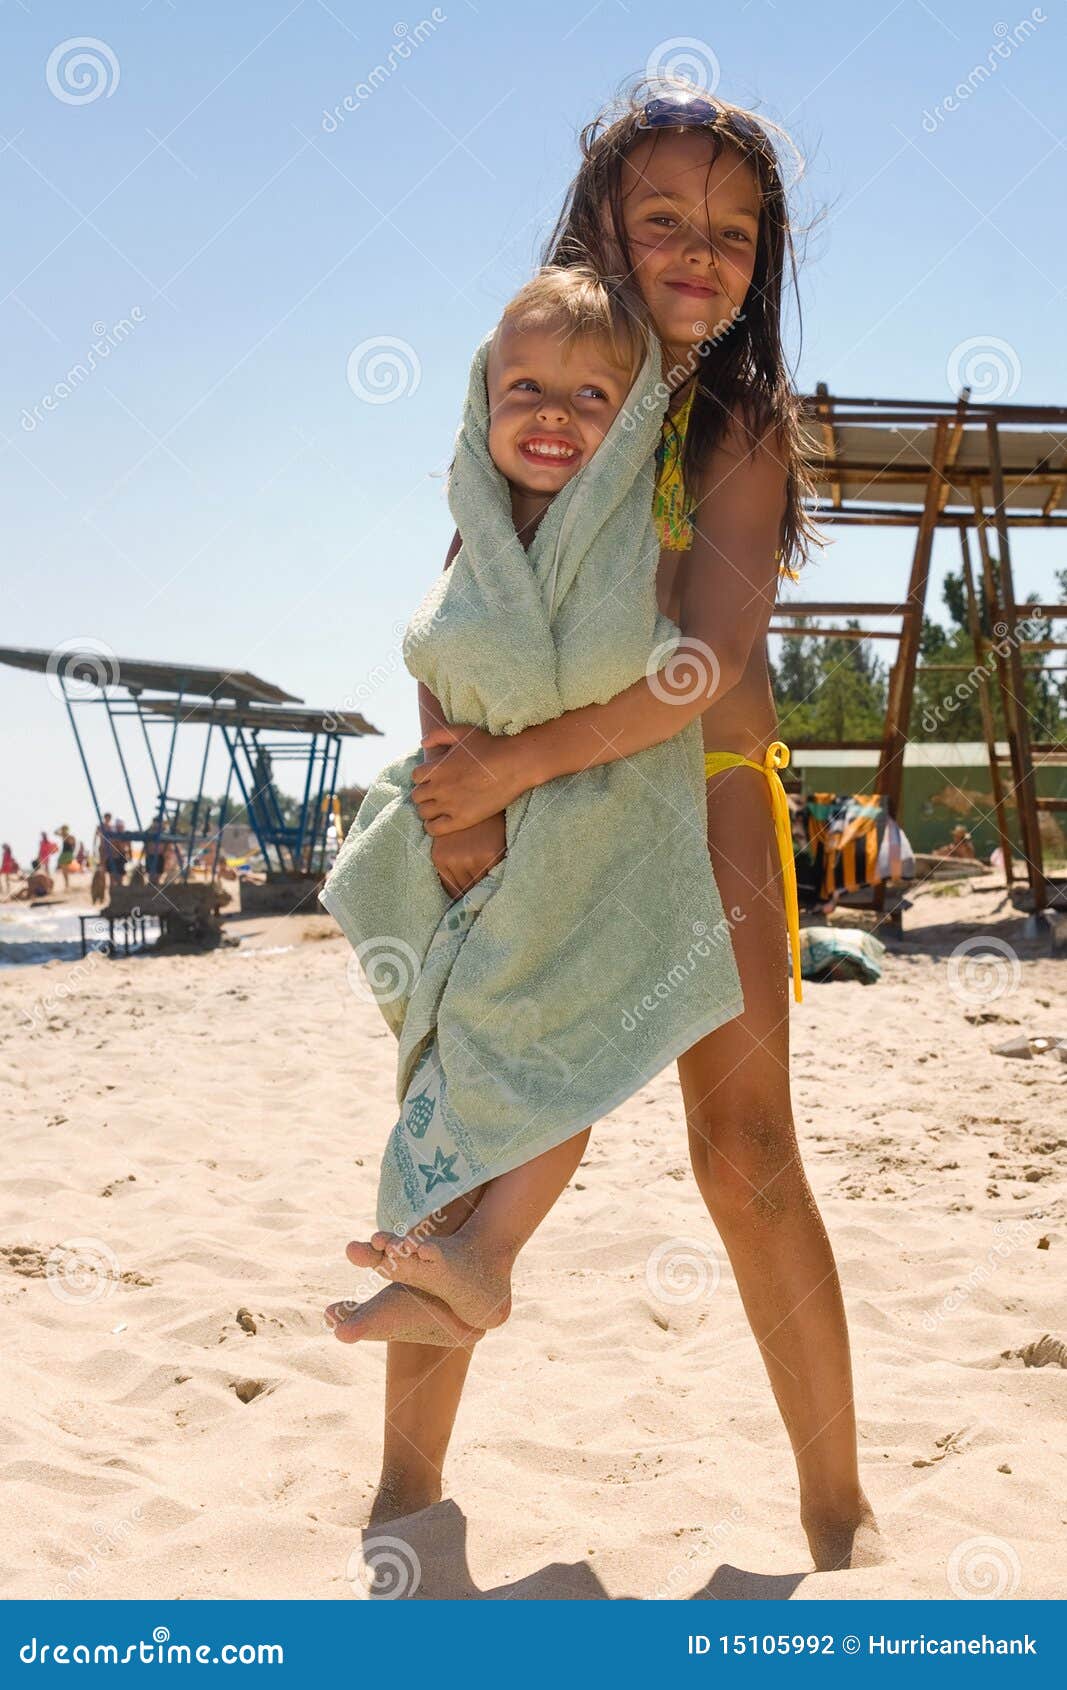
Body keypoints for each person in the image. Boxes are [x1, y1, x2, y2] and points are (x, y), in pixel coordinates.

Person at [341, 83, 877, 1571]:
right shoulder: (541, 396)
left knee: (745, 1146)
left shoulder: (736, 423)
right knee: (470, 1124)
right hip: (540, 796)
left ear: (761, 258)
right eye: (661, 222)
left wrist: (511, 771)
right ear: (598, 232)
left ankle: (838, 1514)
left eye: (731, 233)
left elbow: (702, 661)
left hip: (702, 795)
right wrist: (454, 789)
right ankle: (403, 1505)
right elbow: (469, 612)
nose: (697, 253)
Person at [328, 267, 692, 1349]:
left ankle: (484, 1255)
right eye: (524, 387)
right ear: (481, 399)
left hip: (602, 819)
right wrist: (454, 800)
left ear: (630, 422)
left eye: (591, 397)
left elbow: (676, 675)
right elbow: (439, 657)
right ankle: (438, 1251)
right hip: (477, 823)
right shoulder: (476, 528)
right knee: (461, 1041)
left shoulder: (641, 526)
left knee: (547, 1043)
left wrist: (516, 773)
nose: (552, 414)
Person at [54, 826, 75, 890]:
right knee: (64, 870)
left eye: (63, 829)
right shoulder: (64, 836)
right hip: (65, 854)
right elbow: (55, 832)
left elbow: (72, 844)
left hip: (67, 854)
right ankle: (67, 884)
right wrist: (60, 828)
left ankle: (67, 884)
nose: (63, 831)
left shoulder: (69, 836)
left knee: (65, 870)